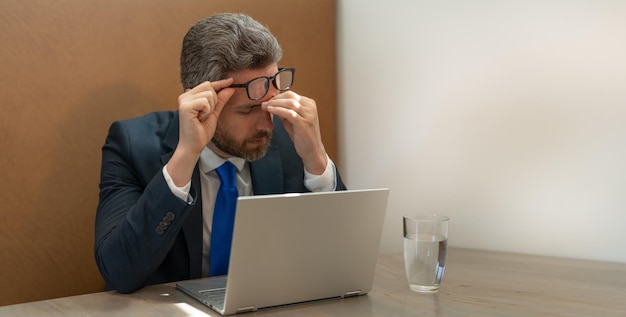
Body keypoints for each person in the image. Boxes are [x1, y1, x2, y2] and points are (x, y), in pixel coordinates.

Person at [94, 13, 346, 294]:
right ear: (201, 100)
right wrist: (186, 154)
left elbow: (345, 259)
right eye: (249, 109)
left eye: (271, 104)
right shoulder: (132, 145)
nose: (268, 124)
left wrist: (316, 159)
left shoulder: (290, 140)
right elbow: (119, 272)